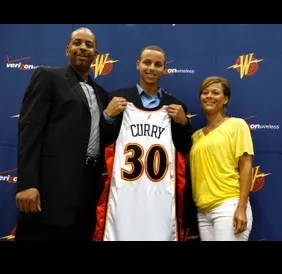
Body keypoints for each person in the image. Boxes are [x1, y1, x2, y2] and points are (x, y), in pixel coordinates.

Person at [14, 27, 110, 241]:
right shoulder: (48, 76)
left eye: (89, 45)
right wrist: (27, 184)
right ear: (68, 49)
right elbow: (30, 129)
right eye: (77, 43)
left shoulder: (102, 95)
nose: (83, 48)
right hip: (47, 193)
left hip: (86, 195)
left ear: (96, 54)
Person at [93, 45, 194, 241]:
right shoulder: (118, 99)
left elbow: (183, 149)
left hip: (160, 195)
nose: (151, 68)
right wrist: (107, 116)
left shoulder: (175, 106)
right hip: (124, 194)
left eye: (158, 64)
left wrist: (183, 124)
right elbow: (102, 141)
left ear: (164, 69)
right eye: (147, 63)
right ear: (138, 65)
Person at [189, 76, 254, 241]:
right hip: (203, 212)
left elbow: (246, 166)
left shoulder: (237, 125)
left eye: (215, 92)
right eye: (205, 92)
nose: (209, 96)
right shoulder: (196, 137)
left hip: (228, 206)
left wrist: (241, 207)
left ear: (225, 99)